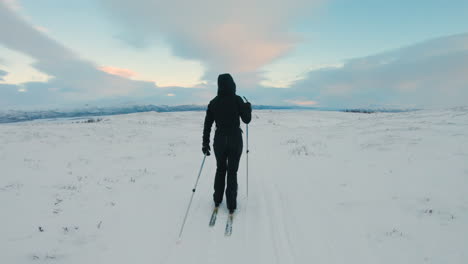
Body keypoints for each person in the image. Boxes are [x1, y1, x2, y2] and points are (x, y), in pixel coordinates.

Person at [202, 73, 252, 214]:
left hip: (219, 141)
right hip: (235, 139)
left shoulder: (213, 102)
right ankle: (231, 204)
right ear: (232, 84)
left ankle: (217, 199)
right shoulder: (237, 100)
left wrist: (205, 143)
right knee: (232, 172)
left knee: (220, 169)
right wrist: (248, 107)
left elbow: (207, 125)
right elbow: (247, 120)